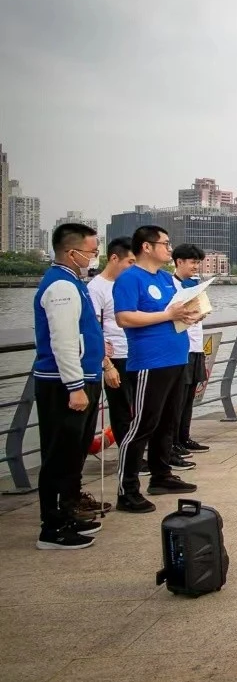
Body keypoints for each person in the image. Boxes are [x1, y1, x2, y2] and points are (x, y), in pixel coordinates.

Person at [114, 225, 201, 511]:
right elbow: (124, 318)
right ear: (146, 247)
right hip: (150, 361)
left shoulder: (165, 279)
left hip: (176, 356)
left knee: (168, 421)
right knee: (142, 424)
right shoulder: (130, 279)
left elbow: (171, 313)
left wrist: (185, 315)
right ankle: (127, 490)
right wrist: (167, 314)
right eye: (164, 243)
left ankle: (161, 475)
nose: (169, 248)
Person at [33, 223, 106, 548]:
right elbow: (63, 341)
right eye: (91, 252)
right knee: (59, 456)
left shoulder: (73, 283)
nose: (94, 257)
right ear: (71, 252)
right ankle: (53, 526)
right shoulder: (61, 287)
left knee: (73, 453)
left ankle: (69, 512)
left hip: (82, 378)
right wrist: (75, 386)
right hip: (64, 385)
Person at [86, 237, 135, 508]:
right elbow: (94, 329)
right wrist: (106, 364)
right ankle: (127, 461)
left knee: (137, 409)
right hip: (114, 358)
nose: (131, 267)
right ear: (114, 258)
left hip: (135, 354)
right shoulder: (97, 288)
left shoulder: (125, 284)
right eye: (129, 262)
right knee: (120, 411)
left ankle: (136, 455)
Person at [171, 244, 211, 464]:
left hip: (196, 345)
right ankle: (172, 442)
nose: (196, 266)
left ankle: (184, 437)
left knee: (189, 396)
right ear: (179, 262)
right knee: (177, 397)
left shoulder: (194, 285)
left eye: (198, 262)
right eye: (192, 262)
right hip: (181, 348)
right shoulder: (171, 285)